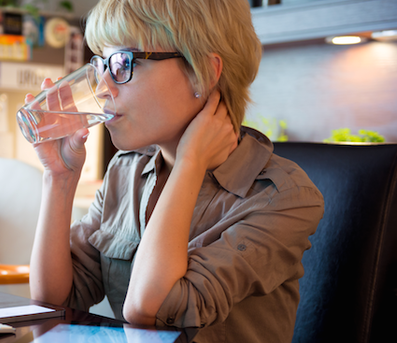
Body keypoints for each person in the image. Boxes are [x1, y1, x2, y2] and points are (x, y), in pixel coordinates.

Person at [26, 0, 324, 342]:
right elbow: (54, 302)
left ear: (203, 73)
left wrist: (189, 163)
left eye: (124, 62)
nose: (103, 86)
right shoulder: (126, 172)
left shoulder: (282, 198)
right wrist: (59, 179)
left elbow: (146, 310)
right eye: (102, 65)